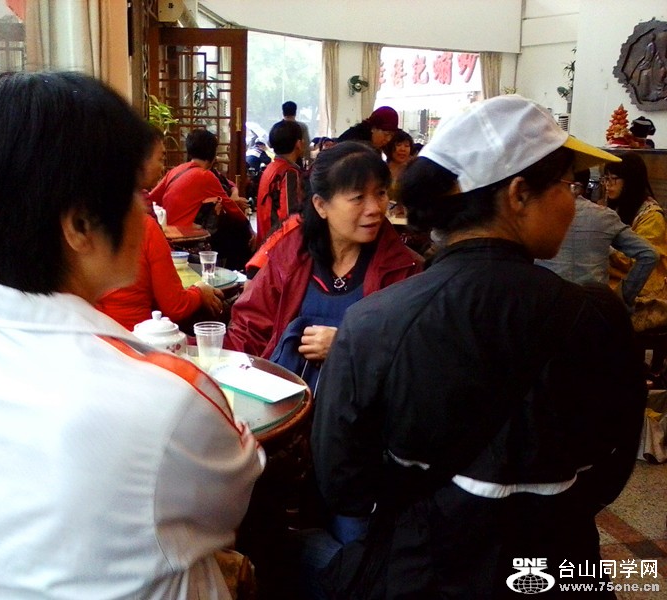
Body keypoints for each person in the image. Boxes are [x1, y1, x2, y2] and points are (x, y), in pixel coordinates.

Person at [0, 71, 263, 600]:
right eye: (135, 191)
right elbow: (231, 498)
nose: (146, 208)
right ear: (78, 226)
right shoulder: (163, 397)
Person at [311, 95, 644, 598]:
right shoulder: (596, 316)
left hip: (419, 573)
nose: (573, 202)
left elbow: (343, 484)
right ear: (517, 194)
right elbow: (612, 464)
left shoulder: (373, 323)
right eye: (566, 185)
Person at [226, 141, 422, 392]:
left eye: (381, 193)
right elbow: (250, 328)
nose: (375, 209)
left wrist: (348, 346)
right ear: (320, 205)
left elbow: (414, 355)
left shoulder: (405, 269)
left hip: (361, 409)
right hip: (285, 402)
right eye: (358, 197)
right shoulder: (291, 255)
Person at [95, 127, 224, 330]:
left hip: (93, 336)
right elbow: (176, 305)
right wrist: (200, 291)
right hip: (136, 337)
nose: (162, 167)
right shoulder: (143, 227)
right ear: (140, 163)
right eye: (160, 158)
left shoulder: (82, 224)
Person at [536, 168, 657, 312]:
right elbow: (649, 254)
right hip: (596, 310)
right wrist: (623, 297)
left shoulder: (536, 214)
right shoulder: (604, 216)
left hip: (546, 309)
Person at [149, 128, 253, 269]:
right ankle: (237, 272)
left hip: (169, 232)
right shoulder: (206, 175)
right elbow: (232, 208)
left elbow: (153, 197)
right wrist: (250, 229)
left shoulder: (176, 170)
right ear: (213, 153)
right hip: (188, 237)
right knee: (237, 232)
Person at [606, 151, 667, 332]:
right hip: (619, 276)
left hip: (645, 287)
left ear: (630, 181)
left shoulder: (652, 217)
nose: (607, 185)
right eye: (605, 179)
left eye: (613, 179)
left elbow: (638, 262)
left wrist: (605, 246)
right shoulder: (619, 207)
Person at [255, 119, 305, 246]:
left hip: (265, 241)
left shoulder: (271, 168)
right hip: (279, 244)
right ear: (299, 144)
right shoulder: (289, 172)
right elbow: (290, 215)